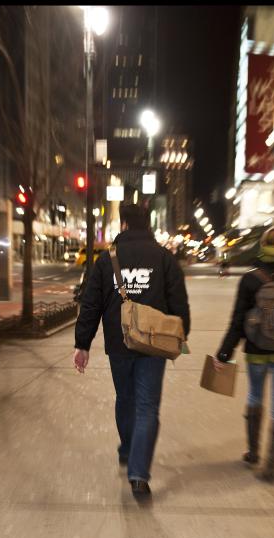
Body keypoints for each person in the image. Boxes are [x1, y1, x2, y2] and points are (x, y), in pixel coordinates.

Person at [73, 204, 191, 499]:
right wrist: (181, 333)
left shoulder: (106, 259)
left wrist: (82, 344)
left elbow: (91, 304)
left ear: (124, 224)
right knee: (147, 406)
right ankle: (139, 475)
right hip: (155, 343)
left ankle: (127, 449)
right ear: (148, 225)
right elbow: (180, 304)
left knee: (125, 398)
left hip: (119, 342)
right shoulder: (165, 258)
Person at [214, 227, 274, 483]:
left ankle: (254, 452)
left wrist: (224, 352)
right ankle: (271, 466)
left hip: (257, 351)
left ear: (263, 245)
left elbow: (237, 320)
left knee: (256, 395)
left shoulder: (250, 279)